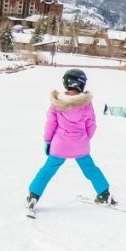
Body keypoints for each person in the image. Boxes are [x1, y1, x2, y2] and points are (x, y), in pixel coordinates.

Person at [26, 68, 117, 213]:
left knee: (47, 171)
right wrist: (85, 138)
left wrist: (48, 141)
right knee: (91, 169)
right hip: (80, 145)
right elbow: (91, 125)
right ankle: (104, 195)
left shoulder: (57, 102)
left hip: (59, 146)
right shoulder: (86, 103)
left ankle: (33, 196)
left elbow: (50, 124)